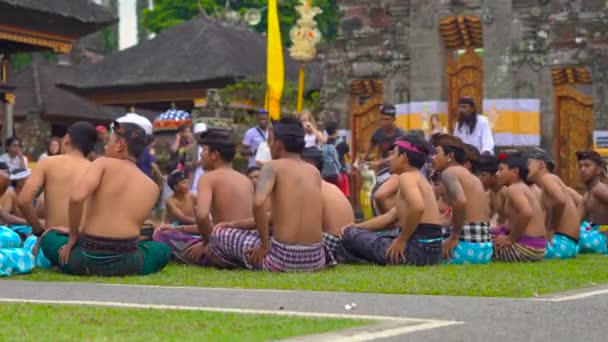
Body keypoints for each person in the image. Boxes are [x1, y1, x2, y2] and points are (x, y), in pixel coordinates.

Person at [39, 122, 171, 276]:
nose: (105, 146)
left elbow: (76, 199)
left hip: (85, 258)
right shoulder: (152, 186)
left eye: (109, 141)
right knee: (162, 250)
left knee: (49, 238)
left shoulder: (102, 163)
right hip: (129, 262)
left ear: (120, 145)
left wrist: (73, 236)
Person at [208, 116, 335, 272]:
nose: (268, 145)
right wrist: (234, 224)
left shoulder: (272, 167)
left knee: (218, 234)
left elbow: (258, 202)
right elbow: (276, 216)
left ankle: (244, 262)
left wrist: (264, 245)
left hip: (283, 259)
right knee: (260, 230)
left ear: (279, 145)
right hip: (316, 258)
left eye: (270, 141)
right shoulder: (314, 172)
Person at [154, 128, 254, 266]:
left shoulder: (208, 178)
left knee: (161, 235)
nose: (200, 154)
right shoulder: (245, 180)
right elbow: (218, 225)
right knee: (173, 232)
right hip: (244, 246)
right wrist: (178, 228)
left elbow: (202, 216)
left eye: (204, 150)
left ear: (215, 155)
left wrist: (206, 244)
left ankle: (208, 256)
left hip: (221, 249)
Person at [339, 135, 443, 266]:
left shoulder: (407, 177)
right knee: (354, 231)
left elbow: (418, 208)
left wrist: (402, 240)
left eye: (394, 154)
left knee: (349, 235)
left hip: (417, 251)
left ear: (404, 157)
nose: (389, 159)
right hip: (432, 253)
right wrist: (356, 226)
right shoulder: (419, 178)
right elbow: (389, 217)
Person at [17, 122, 97, 237]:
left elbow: (23, 201)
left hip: (53, 239)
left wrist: (38, 230)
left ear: (67, 140)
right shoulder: (96, 169)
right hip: (85, 241)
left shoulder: (48, 162)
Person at [431, 133, 492, 264]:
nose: (432, 158)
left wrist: (454, 237)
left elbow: (460, 202)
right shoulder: (470, 176)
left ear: (450, 156)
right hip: (484, 250)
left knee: (421, 251)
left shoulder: (449, 173)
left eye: (436, 153)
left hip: (467, 250)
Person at [526, 147, 580, 259]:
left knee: (519, 247)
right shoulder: (546, 185)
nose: (525, 168)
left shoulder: (547, 178)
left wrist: (551, 228)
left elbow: (560, 200)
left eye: (528, 164)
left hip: (561, 243)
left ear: (541, 164)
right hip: (568, 245)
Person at [492, 153, 547, 262]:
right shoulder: (522, 188)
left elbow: (526, 212)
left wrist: (510, 239)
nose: (497, 174)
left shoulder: (514, 189)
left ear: (515, 171)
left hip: (526, 249)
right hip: (538, 248)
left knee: (482, 248)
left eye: (501, 170)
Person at [301, 147, 355, 257]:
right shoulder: (327, 186)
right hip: (347, 240)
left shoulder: (311, 187)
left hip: (334, 242)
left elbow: (305, 226)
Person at [576, 150, 608, 254]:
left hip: (602, 239)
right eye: (580, 166)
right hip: (593, 232)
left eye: (587, 165)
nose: (582, 169)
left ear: (598, 170)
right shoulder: (586, 196)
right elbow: (575, 222)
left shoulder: (599, 190)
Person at [478, 154, 507, 229]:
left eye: (483, 175)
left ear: (495, 175)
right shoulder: (491, 192)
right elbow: (486, 215)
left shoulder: (504, 191)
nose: (479, 178)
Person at [325, 120, 351, 197]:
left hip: (328, 174)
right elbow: (349, 155)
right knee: (343, 196)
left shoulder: (325, 143)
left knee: (330, 196)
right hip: (341, 173)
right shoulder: (342, 144)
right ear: (336, 131)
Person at [191, 122, 207, 193]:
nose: (200, 136)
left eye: (202, 134)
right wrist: (195, 164)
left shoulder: (212, 148)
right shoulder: (191, 148)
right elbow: (185, 163)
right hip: (195, 177)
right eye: (198, 134)